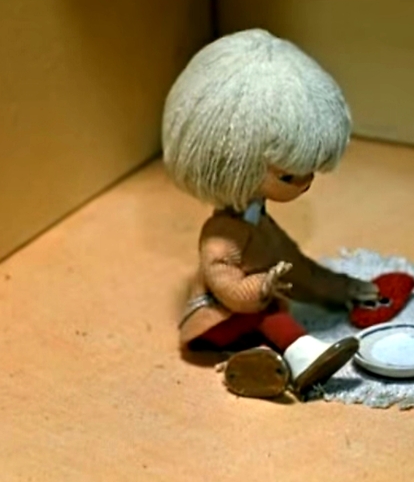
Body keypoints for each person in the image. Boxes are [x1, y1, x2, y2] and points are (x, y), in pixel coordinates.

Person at [161, 28, 378, 399]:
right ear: (232, 162)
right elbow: (226, 286)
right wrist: (261, 287)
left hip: (250, 306)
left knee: (271, 316)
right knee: (270, 317)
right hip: (219, 319)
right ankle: (300, 356)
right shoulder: (222, 235)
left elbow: (296, 267)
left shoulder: (258, 222)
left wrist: (342, 288)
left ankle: (262, 361)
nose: (304, 184)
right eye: (288, 176)